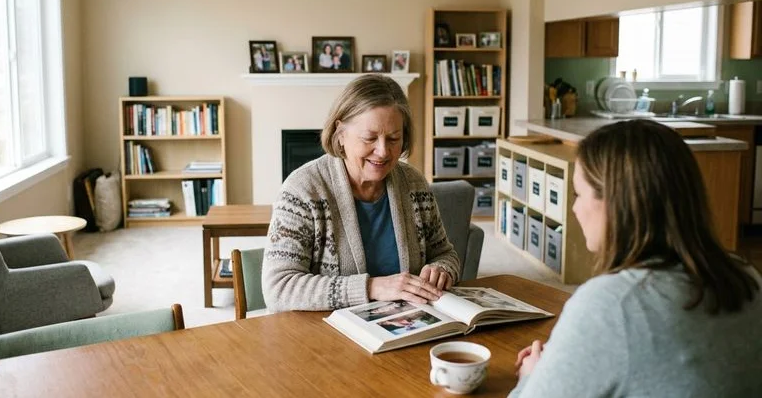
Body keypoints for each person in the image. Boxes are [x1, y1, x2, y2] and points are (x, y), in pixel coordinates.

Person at [509, 120, 761, 397]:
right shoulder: (748, 277)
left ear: (614, 203)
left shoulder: (613, 303)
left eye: (578, 194)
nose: (574, 208)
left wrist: (530, 376)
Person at [262, 74, 460, 312]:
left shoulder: (414, 184)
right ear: (340, 134)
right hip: (324, 330)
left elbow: (445, 253)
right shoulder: (302, 190)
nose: (383, 151)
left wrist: (442, 269)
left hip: (406, 323)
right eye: (369, 138)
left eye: (394, 138)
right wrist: (371, 287)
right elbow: (278, 289)